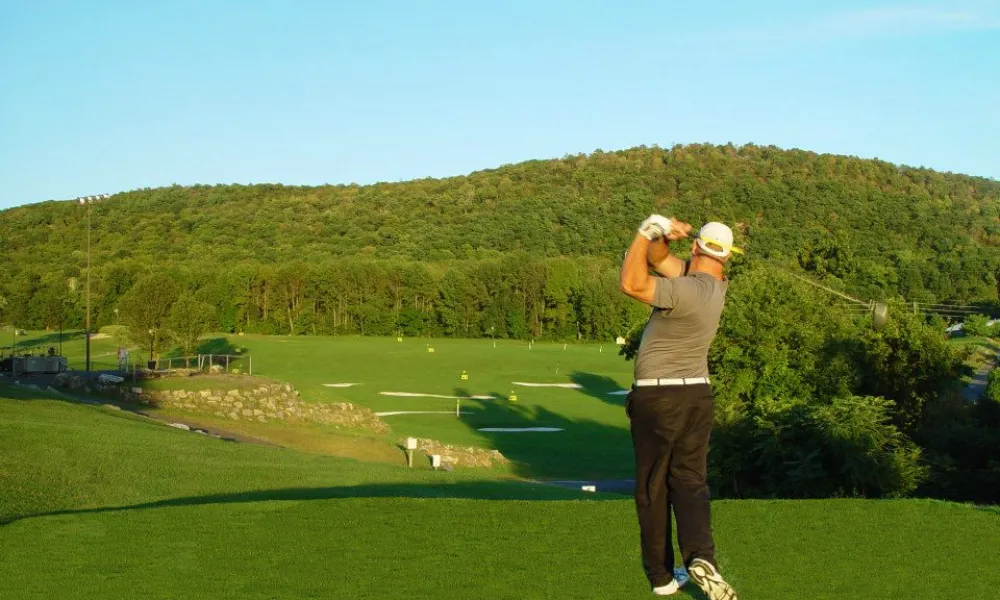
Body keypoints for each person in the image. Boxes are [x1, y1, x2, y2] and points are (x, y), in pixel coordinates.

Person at [618, 214, 741, 599]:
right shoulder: (715, 286)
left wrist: (643, 231)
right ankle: (702, 557)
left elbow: (631, 282)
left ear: (696, 248)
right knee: (690, 482)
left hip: (658, 397)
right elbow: (658, 261)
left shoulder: (685, 290)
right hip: (697, 397)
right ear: (727, 258)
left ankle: (661, 577)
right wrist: (660, 236)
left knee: (654, 487)